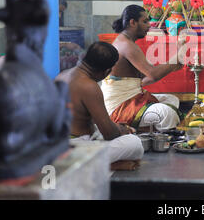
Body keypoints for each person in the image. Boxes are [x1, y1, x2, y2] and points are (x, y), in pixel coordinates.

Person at [55, 41, 144, 170]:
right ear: (106, 72)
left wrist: (116, 127)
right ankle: (100, 165)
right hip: (75, 148)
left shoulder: (62, 75)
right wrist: (122, 130)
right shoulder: (89, 86)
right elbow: (109, 134)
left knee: (100, 132)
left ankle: (96, 163)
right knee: (135, 144)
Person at [101, 4, 184, 132]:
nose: (149, 25)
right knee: (167, 113)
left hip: (132, 97)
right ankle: (159, 139)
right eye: (145, 21)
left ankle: (147, 132)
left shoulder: (127, 42)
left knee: (171, 99)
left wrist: (174, 64)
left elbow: (145, 78)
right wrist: (178, 55)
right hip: (120, 107)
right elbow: (153, 74)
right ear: (133, 22)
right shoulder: (126, 45)